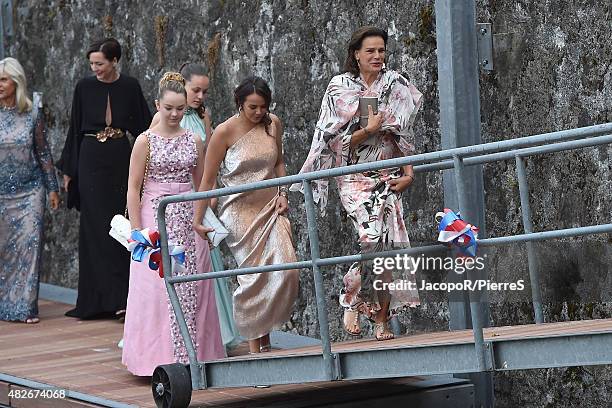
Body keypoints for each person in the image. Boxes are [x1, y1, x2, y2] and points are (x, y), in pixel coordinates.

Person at [291, 26, 422, 341]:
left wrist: (409, 171)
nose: (377, 56)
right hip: (353, 176)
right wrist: (367, 130)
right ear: (356, 54)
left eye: (381, 51)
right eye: (371, 51)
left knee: (387, 247)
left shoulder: (395, 85)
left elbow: (404, 133)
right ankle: (351, 298)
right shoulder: (339, 88)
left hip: (386, 173)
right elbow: (332, 141)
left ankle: (380, 320)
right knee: (371, 237)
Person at [122, 72, 225, 376]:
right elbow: (133, 186)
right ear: (157, 104)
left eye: (180, 108)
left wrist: (203, 216)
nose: (175, 113)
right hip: (155, 217)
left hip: (188, 219)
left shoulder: (193, 140)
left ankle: (196, 356)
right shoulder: (145, 141)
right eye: (168, 107)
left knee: (195, 283)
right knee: (153, 289)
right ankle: (154, 361)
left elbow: (202, 183)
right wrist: (136, 230)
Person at [193, 76, 299, 354]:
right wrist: (198, 218)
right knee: (254, 276)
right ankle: (256, 350)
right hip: (237, 209)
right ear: (240, 103)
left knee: (286, 267)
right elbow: (208, 179)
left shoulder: (273, 124)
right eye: (252, 107)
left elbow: (279, 163)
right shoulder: (224, 132)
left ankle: (265, 339)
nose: (258, 112)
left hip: (269, 205)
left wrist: (283, 194)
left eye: (263, 106)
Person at [57, 38, 152, 319]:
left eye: (100, 63)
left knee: (121, 227)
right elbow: (75, 128)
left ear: (114, 61)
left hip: (121, 162)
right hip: (90, 161)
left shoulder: (130, 86)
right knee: (94, 229)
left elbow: (145, 127)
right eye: (92, 64)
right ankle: (95, 302)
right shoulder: (83, 87)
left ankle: (124, 300)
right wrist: (69, 171)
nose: (95, 68)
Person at [150, 63, 241, 349]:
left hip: (197, 199)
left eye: (205, 91)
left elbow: (209, 162)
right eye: (195, 89)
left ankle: (213, 335)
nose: (200, 96)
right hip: (172, 200)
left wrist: (209, 196)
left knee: (204, 267)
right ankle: (167, 339)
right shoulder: (161, 119)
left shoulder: (203, 117)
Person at [0, 57, 60, 324]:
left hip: (30, 191)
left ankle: (25, 308)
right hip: (1, 192)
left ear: (16, 81)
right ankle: (5, 305)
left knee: (29, 247)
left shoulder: (32, 113)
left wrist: (52, 188)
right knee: (4, 249)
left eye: (3, 80)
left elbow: (43, 152)